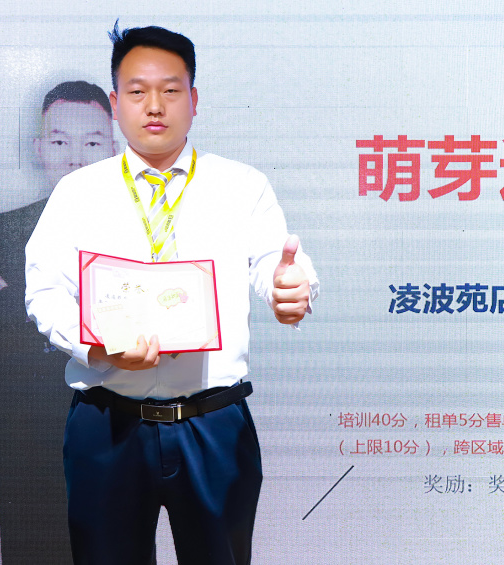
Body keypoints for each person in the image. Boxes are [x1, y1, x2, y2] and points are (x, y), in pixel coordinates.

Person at [25, 25, 319, 565]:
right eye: (137, 91)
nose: (155, 106)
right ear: (115, 103)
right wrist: (96, 347)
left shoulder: (242, 186)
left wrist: (291, 287)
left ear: (194, 99)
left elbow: (275, 264)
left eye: (171, 90)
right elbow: (45, 293)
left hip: (214, 422)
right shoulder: (77, 192)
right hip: (107, 422)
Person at [0, 80, 117, 564]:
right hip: (26, 448)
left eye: (92, 143)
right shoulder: (1, 230)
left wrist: (13, 296)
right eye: (60, 142)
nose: (75, 158)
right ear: (39, 148)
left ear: (114, 150)